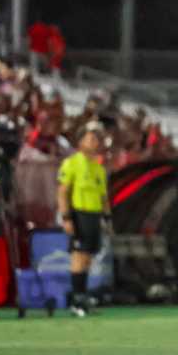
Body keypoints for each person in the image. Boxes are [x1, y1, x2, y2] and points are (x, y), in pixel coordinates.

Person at [57, 122, 110, 317]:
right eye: (90, 138)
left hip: (94, 216)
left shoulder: (99, 169)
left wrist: (107, 219)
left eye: (97, 138)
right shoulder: (72, 163)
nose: (95, 142)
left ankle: (82, 298)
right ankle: (76, 301)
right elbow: (63, 192)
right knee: (78, 256)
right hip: (79, 213)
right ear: (80, 142)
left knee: (87, 258)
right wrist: (66, 217)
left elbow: (104, 198)